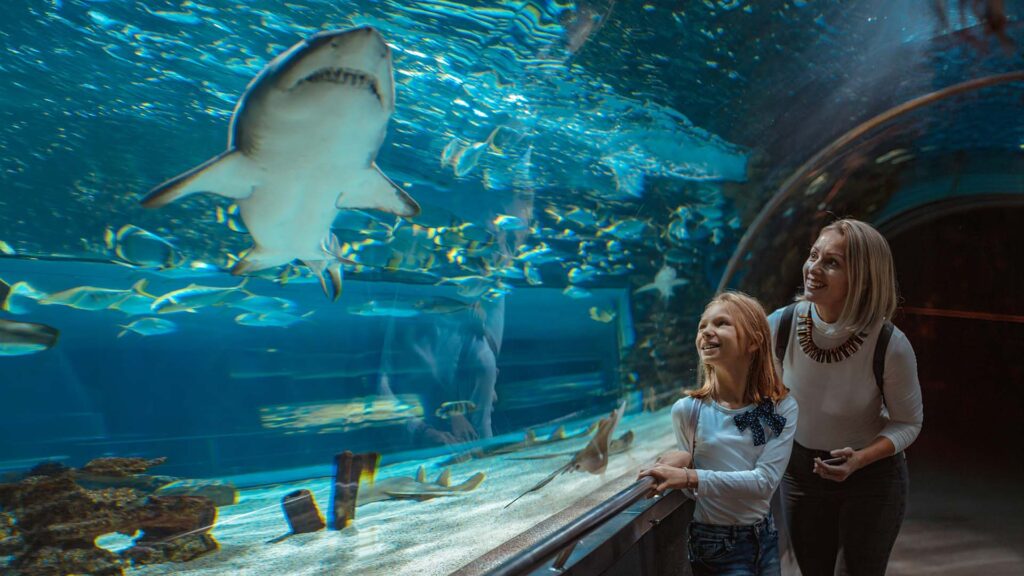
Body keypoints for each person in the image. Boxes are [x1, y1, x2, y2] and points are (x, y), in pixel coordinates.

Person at [769, 218, 923, 576]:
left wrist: (860, 459)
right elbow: (747, 398)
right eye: (814, 255)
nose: (813, 268)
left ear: (863, 278)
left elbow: (908, 422)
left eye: (832, 262)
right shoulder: (780, 324)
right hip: (801, 474)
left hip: (871, 479)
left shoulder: (890, 344)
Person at [640, 291, 798, 576]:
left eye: (721, 323)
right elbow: (695, 495)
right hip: (714, 543)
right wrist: (684, 461)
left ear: (753, 340)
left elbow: (765, 483)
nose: (707, 332)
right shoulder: (687, 411)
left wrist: (689, 475)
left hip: (765, 534)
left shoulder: (782, 407)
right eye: (702, 326)